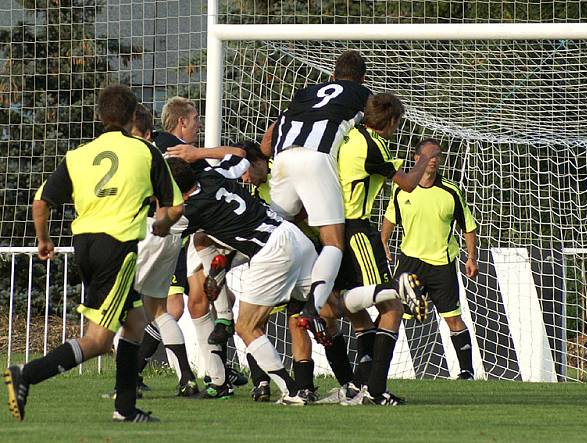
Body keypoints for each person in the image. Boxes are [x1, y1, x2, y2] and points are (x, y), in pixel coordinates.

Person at [5, 84, 183, 422]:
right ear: (133, 117)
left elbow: (40, 202)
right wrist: (161, 223)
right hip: (118, 248)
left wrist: (43, 240)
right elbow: (175, 206)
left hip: (85, 247)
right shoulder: (146, 152)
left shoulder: (77, 155)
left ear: (100, 117)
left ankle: (126, 409)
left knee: (135, 323)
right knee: (100, 340)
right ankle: (26, 374)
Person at [167, 150, 312, 405]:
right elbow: (240, 154)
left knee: (247, 327)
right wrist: (197, 153)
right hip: (292, 234)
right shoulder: (214, 174)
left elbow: (157, 228)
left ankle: (291, 391)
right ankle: (391, 293)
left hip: (269, 252)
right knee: (332, 307)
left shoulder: (190, 212)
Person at [324, 93, 438, 406]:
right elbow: (408, 183)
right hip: (357, 230)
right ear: (389, 122)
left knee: (353, 311)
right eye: (397, 123)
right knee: (392, 307)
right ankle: (375, 391)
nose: (397, 129)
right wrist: (424, 161)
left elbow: (382, 168)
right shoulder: (371, 145)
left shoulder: (352, 134)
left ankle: (358, 386)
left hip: (332, 228)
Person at [261, 50, 372, 342]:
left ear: (332, 76)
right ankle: (313, 306)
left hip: (283, 160)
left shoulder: (303, 94)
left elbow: (267, 143)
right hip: (317, 158)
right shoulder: (362, 94)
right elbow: (377, 124)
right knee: (333, 241)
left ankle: (228, 262)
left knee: (267, 232)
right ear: (362, 79)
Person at [155, 96, 250, 396]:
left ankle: (218, 376)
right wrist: (199, 153)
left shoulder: (160, 145)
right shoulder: (177, 151)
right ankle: (222, 367)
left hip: (185, 233)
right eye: (196, 120)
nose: (198, 125)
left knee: (192, 302)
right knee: (175, 305)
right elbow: (239, 156)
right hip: (189, 232)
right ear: (182, 121)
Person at [382, 138, 480, 380]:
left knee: (453, 319)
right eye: (428, 155)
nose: (433, 159)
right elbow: (390, 218)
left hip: (441, 265)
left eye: (437, 155)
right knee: (391, 314)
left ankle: (466, 372)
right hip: (409, 263)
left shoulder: (450, 191)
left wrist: (472, 258)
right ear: (416, 159)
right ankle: (378, 371)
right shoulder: (402, 189)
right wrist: (383, 242)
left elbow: (468, 226)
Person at [127, 104, 200, 398]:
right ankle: (186, 377)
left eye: (131, 134)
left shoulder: (144, 157)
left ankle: (128, 380)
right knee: (160, 310)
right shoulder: (161, 154)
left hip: (152, 231)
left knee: (125, 305)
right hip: (173, 233)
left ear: (147, 133)